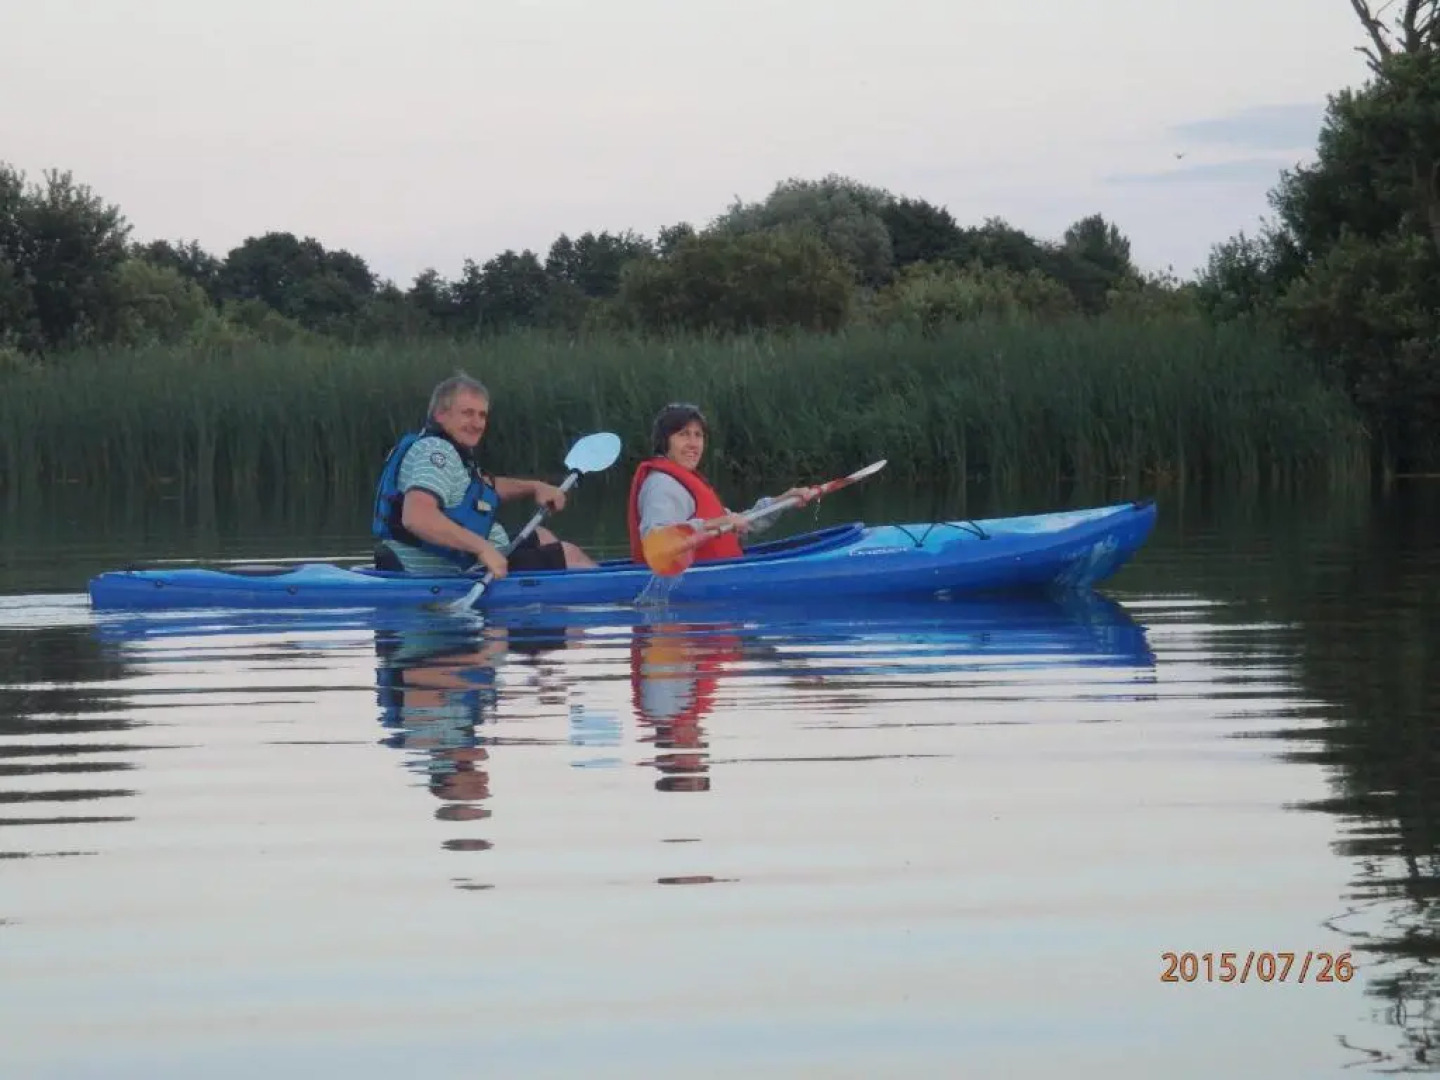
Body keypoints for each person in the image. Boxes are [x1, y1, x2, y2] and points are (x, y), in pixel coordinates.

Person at [372, 374, 598, 576]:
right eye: (467, 414)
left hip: (468, 560)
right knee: (570, 557)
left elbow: (487, 487)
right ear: (440, 415)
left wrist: (534, 487)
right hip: (441, 571)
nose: (477, 424)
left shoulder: (452, 451)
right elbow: (417, 518)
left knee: (542, 536)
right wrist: (483, 549)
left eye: (482, 415)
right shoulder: (436, 452)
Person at [626, 401, 820, 564]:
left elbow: (741, 524)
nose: (693, 444)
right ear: (664, 441)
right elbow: (656, 542)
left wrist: (781, 502)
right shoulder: (662, 485)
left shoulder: (686, 482)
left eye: (698, 435)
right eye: (683, 434)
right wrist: (712, 524)